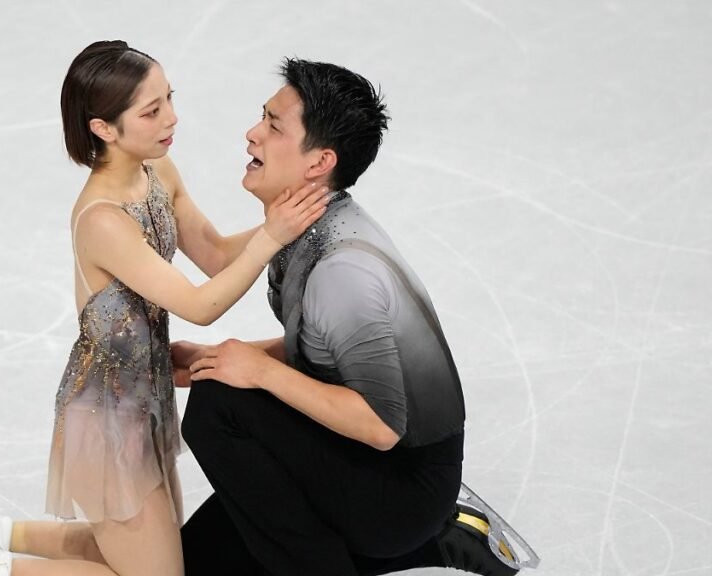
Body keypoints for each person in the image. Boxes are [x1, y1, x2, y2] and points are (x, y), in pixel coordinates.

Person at [0, 41, 329, 576]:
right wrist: (274, 234)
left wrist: (290, 217)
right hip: (107, 418)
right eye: (151, 111)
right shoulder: (103, 219)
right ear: (103, 128)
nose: (171, 118)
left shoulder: (159, 172)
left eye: (169, 99)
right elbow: (200, 305)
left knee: (147, 557)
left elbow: (216, 255)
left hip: (145, 401)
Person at [175, 58, 538, 576]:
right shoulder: (305, 223)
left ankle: (402, 540)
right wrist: (218, 359)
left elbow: (382, 425)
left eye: (274, 126)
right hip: (365, 462)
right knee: (193, 562)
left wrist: (258, 371)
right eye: (263, 117)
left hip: (402, 487)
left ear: (319, 162)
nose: (252, 134)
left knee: (219, 405)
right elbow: (320, 348)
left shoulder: (342, 271)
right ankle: (438, 543)